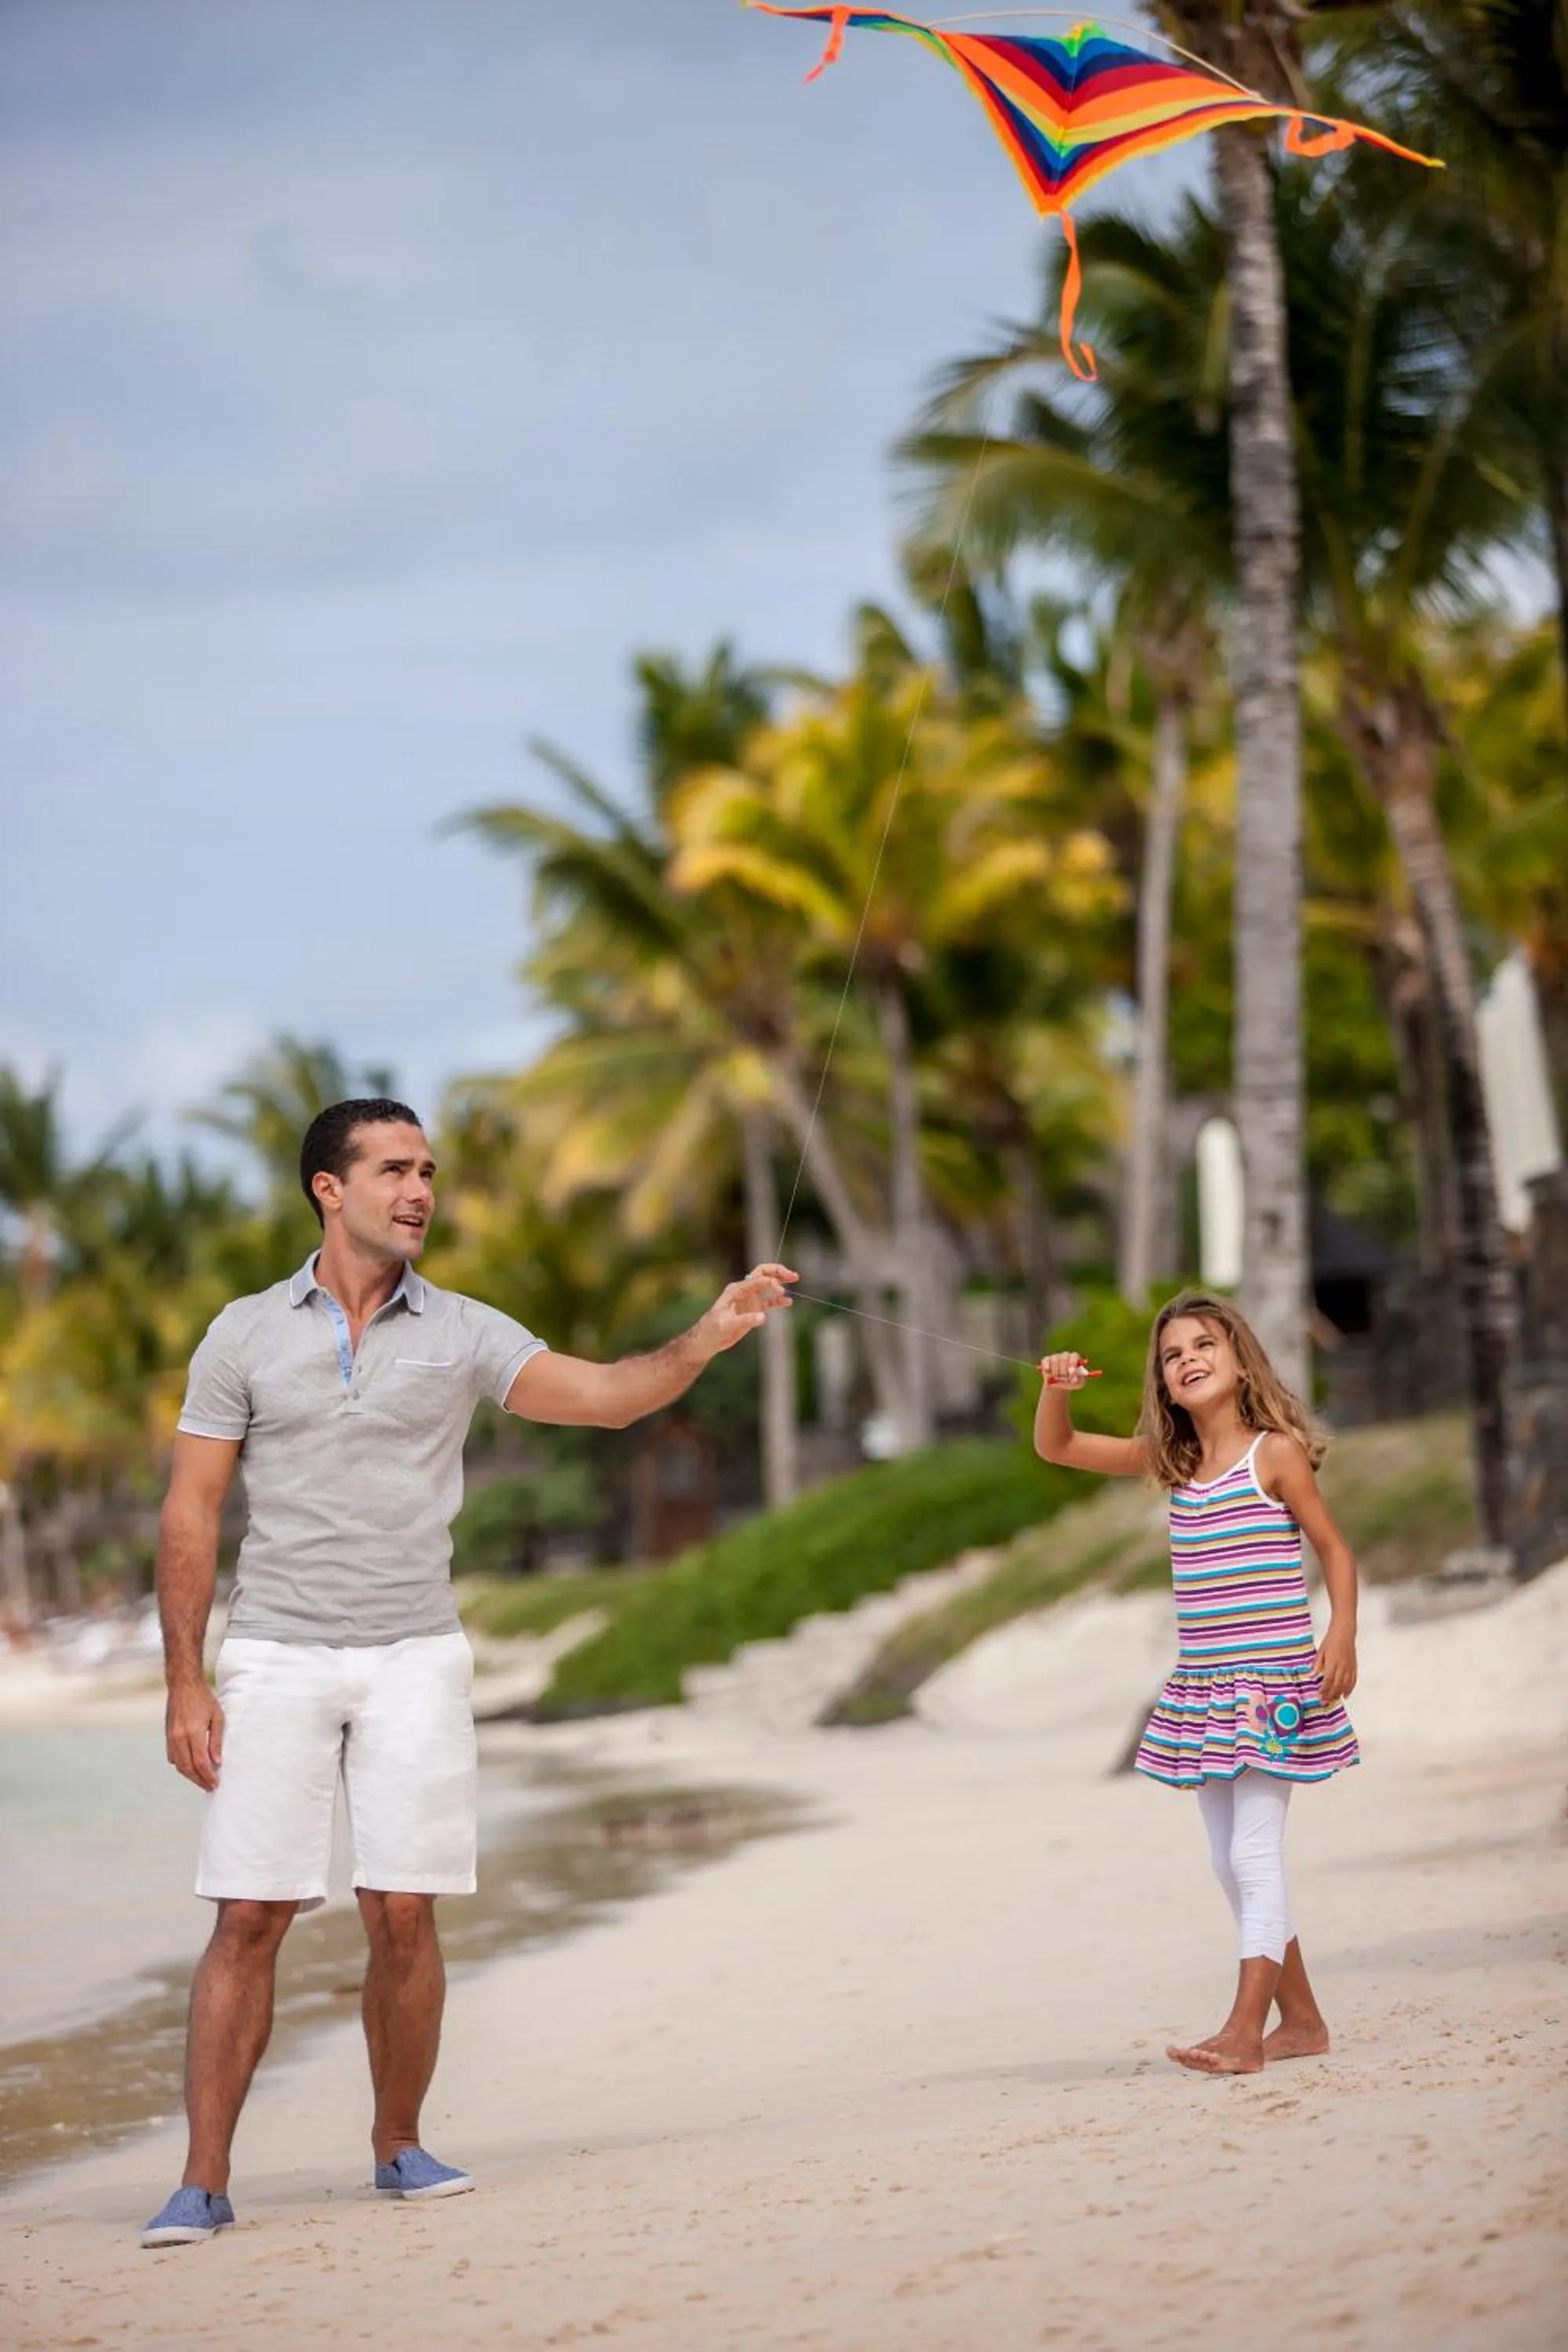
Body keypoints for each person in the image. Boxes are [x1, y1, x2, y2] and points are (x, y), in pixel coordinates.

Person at [141, 1097, 795, 2249]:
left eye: (428, 1172)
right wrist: (184, 1682)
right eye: (394, 1170)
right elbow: (191, 1511)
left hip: (415, 1652)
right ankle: (201, 2183)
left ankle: (399, 2146)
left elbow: (605, 1398)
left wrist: (705, 1336)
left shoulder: (462, 1330)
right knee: (249, 1912)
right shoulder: (242, 1334)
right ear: (328, 1188)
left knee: (405, 1908)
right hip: (278, 1652)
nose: (420, 1192)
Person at [1036, 1290, 1359, 2078]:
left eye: (1203, 1345)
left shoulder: (1274, 1454)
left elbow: (1334, 1550)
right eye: (1172, 1355)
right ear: (1164, 1384)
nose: (1188, 1360)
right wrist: (1054, 1388)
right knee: (1226, 1859)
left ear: (1240, 1359)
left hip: (1273, 1686)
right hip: (1206, 1692)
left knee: (1253, 1849)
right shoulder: (1172, 1463)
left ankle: (1244, 2030)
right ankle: (1302, 2021)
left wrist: (1341, 1633)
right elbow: (1059, 1447)